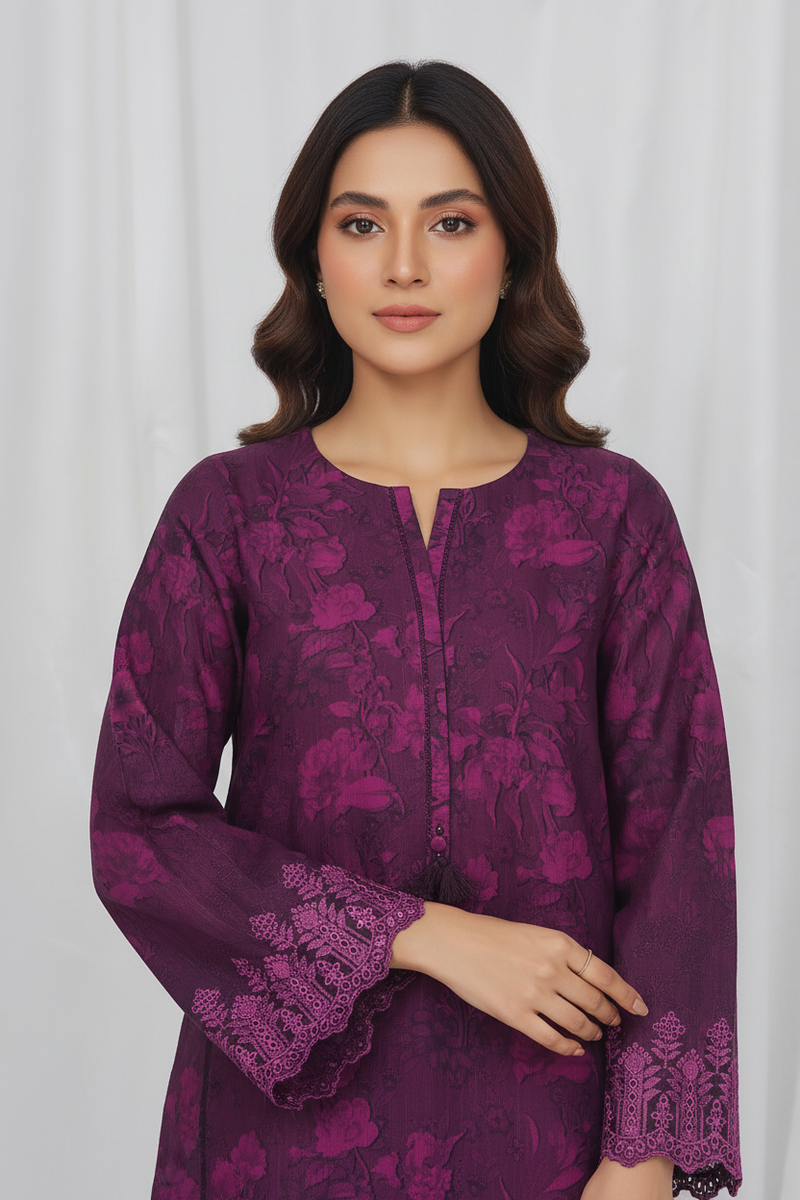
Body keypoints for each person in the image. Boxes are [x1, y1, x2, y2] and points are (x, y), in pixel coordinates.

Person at [90, 61, 741, 1200]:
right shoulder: (229, 514)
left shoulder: (611, 519)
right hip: (272, 1144)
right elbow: (140, 828)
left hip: (556, 1140)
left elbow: (684, 843)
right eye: (361, 224)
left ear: (511, 256)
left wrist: (641, 1160)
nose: (403, 265)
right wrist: (422, 933)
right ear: (314, 260)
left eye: (449, 222)